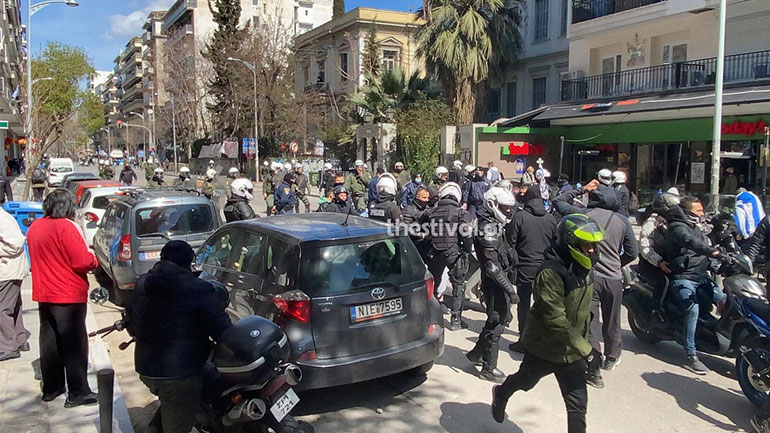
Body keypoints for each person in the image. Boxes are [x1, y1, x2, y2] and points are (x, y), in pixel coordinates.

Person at [491, 214, 606, 433]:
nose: (592, 250)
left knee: (577, 405)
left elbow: (585, 313)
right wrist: (586, 349)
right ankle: (501, 393)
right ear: (571, 243)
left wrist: (588, 345)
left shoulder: (584, 270)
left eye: (594, 246)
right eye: (586, 245)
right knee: (525, 381)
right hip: (544, 347)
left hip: (572, 351)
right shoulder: (550, 273)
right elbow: (555, 318)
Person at [128, 240, 231, 433]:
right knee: (178, 417)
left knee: (174, 404)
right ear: (189, 262)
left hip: (146, 367)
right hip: (179, 374)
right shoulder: (198, 289)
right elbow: (222, 329)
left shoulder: (142, 283)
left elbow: (131, 322)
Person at [553, 179, 638, 388]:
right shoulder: (622, 221)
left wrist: (580, 189)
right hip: (614, 279)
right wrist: (617, 264)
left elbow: (558, 201)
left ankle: (594, 368)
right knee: (613, 320)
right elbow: (632, 252)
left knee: (589, 322)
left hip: (589, 276)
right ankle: (612, 356)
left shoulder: (583, 215)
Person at [26, 189, 98, 407]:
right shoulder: (67, 227)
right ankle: (78, 391)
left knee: (50, 342)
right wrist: (93, 259)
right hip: (68, 293)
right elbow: (82, 261)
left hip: (44, 291)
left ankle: (52, 387)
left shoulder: (35, 227)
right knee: (74, 344)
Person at [662, 196, 727, 374]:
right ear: (687, 212)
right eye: (698, 211)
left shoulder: (695, 227)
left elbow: (707, 242)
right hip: (683, 278)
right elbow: (692, 242)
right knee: (692, 310)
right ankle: (691, 355)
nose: (702, 213)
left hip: (701, 277)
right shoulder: (677, 228)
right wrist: (713, 252)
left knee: (725, 299)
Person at [466, 186, 520, 383]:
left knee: (497, 319)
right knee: (497, 323)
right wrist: (510, 291)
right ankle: (488, 368)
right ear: (492, 204)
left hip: (498, 283)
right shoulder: (488, 227)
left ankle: (477, 353)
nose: (508, 211)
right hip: (495, 284)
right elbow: (492, 267)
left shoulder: (494, 223)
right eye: (504, 207)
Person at [506, 187, 558, 353]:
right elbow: (555, 244)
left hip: (524, 267)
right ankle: (541, 339)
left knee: (524, 305)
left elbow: (510, 243)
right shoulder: (551, 219)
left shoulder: (519, 217)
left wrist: (513, 262)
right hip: (546, 268)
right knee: (542, 305)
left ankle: (524, 339)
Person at [424, 182, 472, 331]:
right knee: (459, 284)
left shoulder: (431, 212)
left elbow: (419, 224)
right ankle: (456, 320)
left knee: (433, 283)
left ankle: (430, 315)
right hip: (454, 252)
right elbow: (467, 235)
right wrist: (467, 250)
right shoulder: (461, 213)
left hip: (435, 252)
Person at [638, 189, 681, 311]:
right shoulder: (652, 222)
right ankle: (655, 312)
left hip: (673, 262)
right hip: (652, 264)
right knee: (663, 282)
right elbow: (645, 247)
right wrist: (659, 261)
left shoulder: (678, 222)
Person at [0, 206, 29, 361]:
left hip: (8, 270)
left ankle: (7, 346)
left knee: (3, 309)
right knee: (13, 306)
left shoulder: (2, 218)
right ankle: (20, 340)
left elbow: (16, 243)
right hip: (10, 269)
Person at [402, 187, 432, 261]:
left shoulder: (427, 209)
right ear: (417, 197)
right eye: (424, 197)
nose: (426, 200)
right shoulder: (408, 209)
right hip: (413, 245)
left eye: (428, 198)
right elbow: (405, 229)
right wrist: (422, 235)